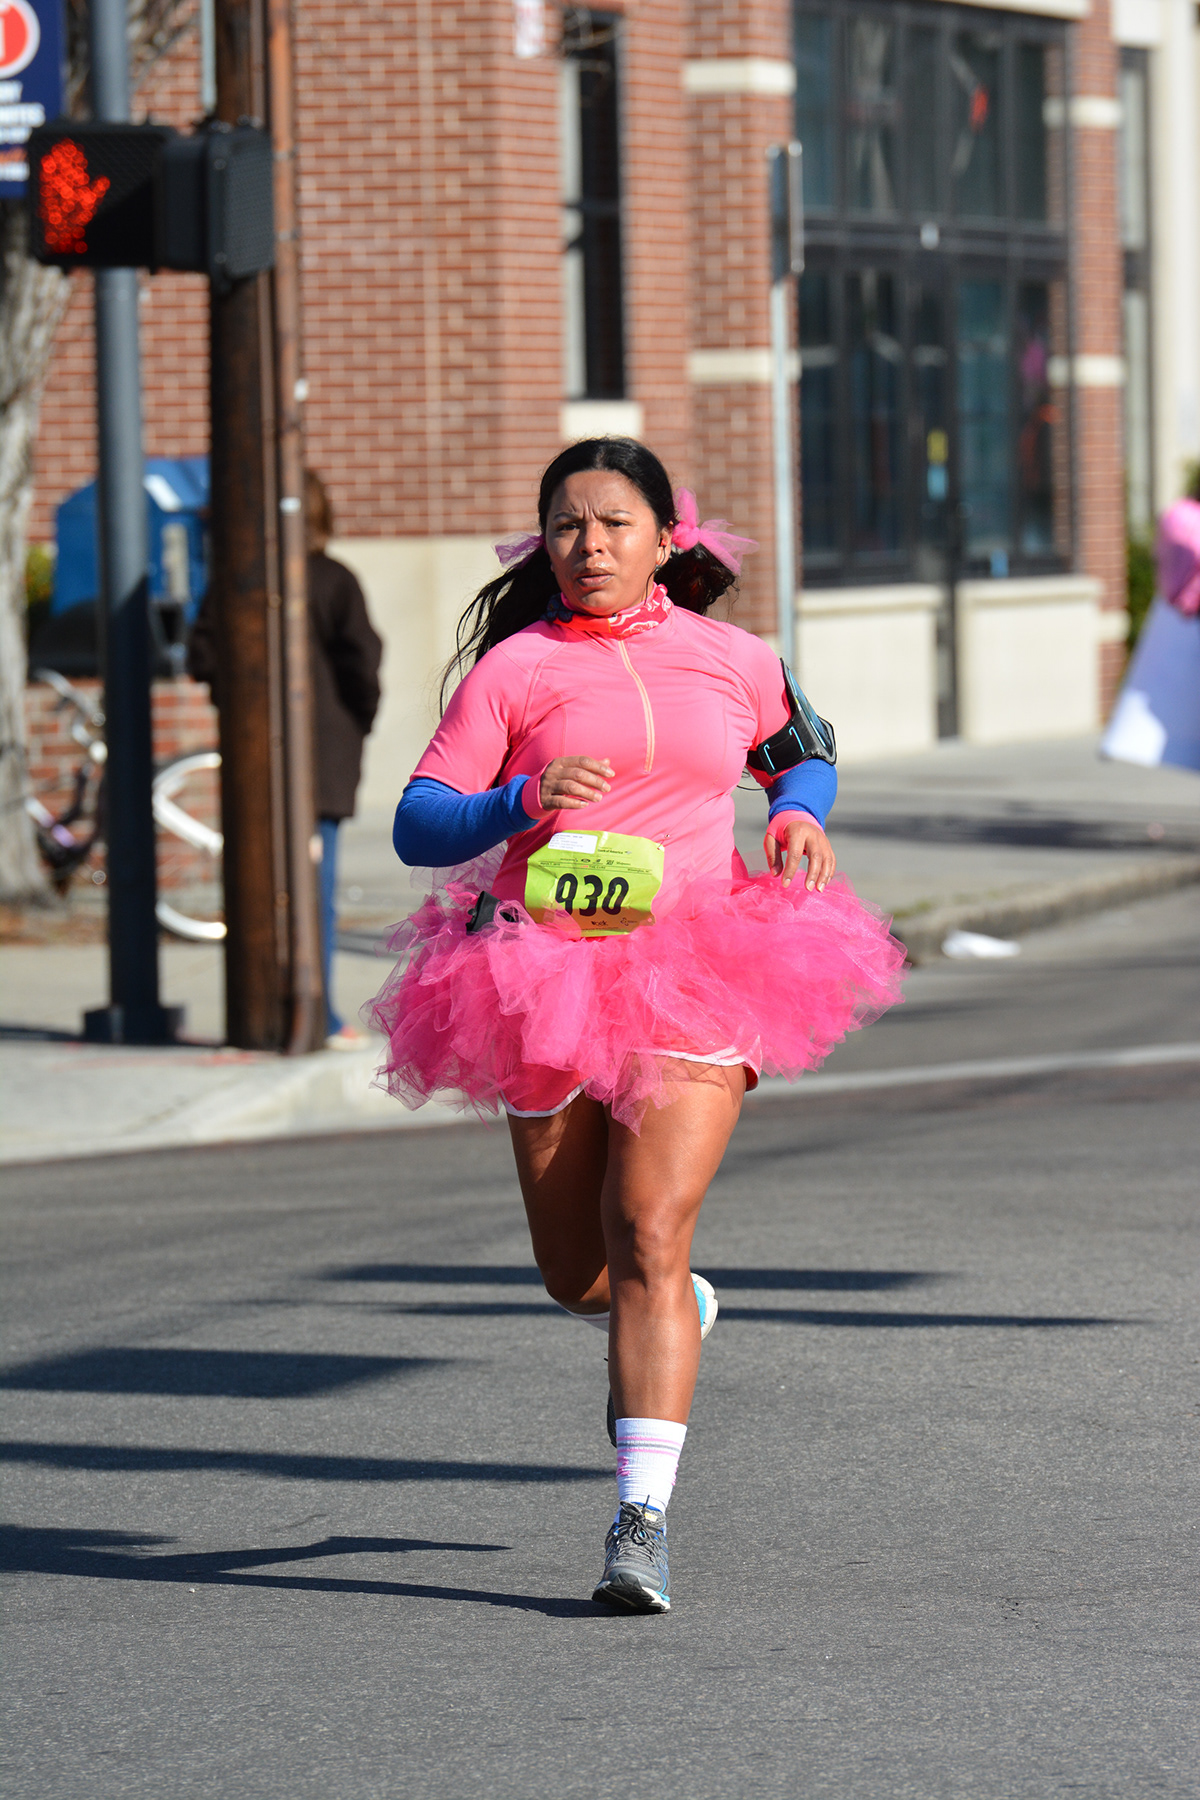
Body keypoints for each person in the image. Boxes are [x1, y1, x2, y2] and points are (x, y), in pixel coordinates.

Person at [366, 438, 904, 1613]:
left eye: (614, 523)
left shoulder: (734, 656)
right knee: (578, 1271)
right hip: (542, 970)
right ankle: (675, 1308)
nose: (589, 545)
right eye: (566, 525)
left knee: (650, 1225)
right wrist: (519, 800)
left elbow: (800, 750)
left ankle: (639, 1522)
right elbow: (418, 820)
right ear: (542, 543)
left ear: (669, 537)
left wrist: (800, 817)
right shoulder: (515, 671)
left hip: (701, 962)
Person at [188, 470, 382, 1043]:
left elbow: (202, 654)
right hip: (322, 762)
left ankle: (274, 1011)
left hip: (256, 762)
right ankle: (313, 1013)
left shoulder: (235, 580)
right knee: (313, 895)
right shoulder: (334, 579)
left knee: (259, 887)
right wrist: (355, 724)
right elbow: (362, 666)